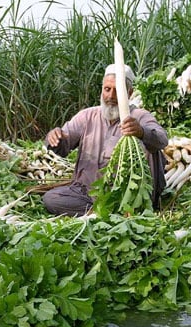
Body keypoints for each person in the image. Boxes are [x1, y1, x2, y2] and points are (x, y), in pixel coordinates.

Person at [42, 64, 168, 216]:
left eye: (118, 91)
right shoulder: (87, 116)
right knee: (51, 199)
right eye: (107, 89)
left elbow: (162, 139)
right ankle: (107, 212)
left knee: (152, 146)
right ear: (102, 90)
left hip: (127, 195)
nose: (111, 96)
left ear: (129, 93)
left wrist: (142, 132)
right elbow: (63, 146)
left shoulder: (140, 116)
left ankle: (120, 208)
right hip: (87, 194)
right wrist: (54, 138)